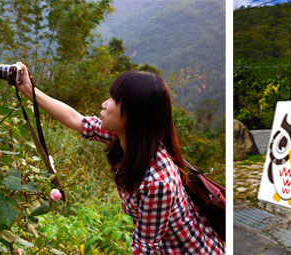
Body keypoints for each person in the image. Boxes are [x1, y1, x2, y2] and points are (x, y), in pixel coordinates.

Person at [11, 63, 224, 254]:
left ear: (133, 114)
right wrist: (29, 90)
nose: (104, 104)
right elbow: (76, 119)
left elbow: (144, 249)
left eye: (113, 99)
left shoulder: (158, 182)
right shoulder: (127, 137)